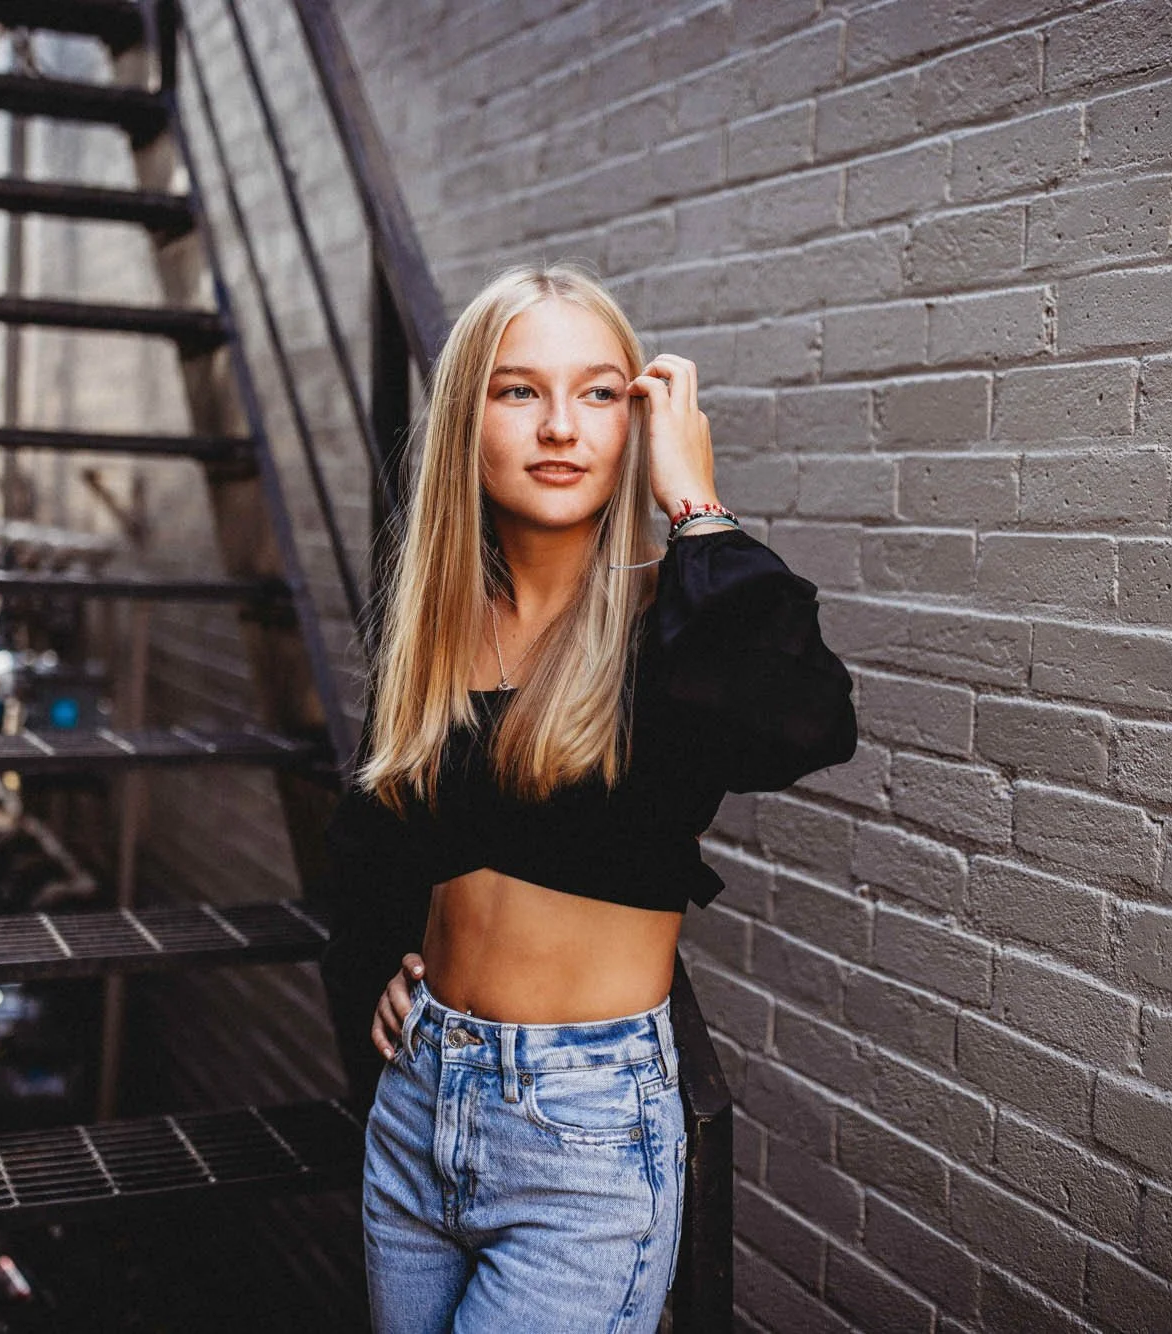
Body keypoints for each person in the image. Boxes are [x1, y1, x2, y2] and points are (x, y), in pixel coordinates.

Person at [316, 262, 856, 1333]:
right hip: (420, 1101)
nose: (560, 425)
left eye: (598, 393)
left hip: (585, 1133)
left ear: (639, 418)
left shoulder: (674, 620)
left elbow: (800, 721)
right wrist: (388, 962)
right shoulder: (432, 630)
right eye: (518, 391)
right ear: (467, 417)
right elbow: (382, 842)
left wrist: (693, 503)